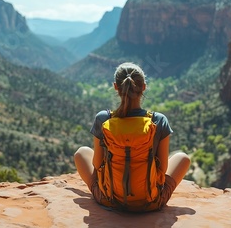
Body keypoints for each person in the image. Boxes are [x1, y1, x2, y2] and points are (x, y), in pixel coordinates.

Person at [74, 62, 191, 211]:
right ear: (144, 87)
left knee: (81, 152)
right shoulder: (158, 121)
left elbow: (97, 165)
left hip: (109, 199)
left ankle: (108, 193)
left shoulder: (103, 119)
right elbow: (162, 169)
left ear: (116, 87)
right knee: (183, 158)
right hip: (150, 202)